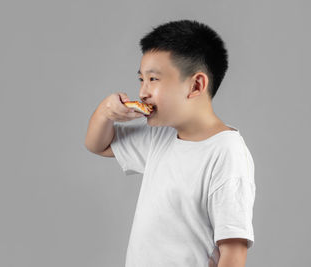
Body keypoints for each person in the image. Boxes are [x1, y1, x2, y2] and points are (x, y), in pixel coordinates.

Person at [85, 19, 255, 267]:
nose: (143, 92)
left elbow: (234, 251)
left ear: (196, 85)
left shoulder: (227, 153)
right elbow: (98, 145)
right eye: (141, 79)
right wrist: (105, 113)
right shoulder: (161, 135)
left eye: (153, 79)